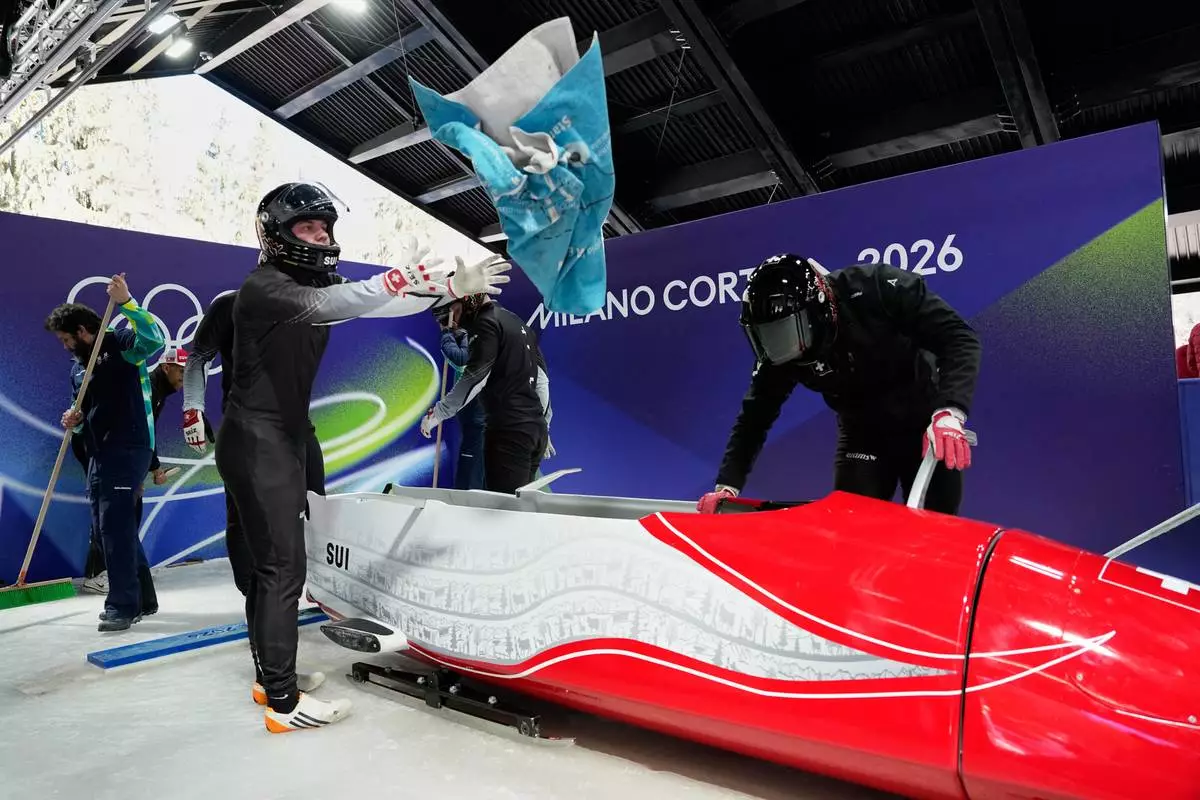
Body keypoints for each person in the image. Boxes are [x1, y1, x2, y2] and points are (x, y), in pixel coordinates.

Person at [212, 181, 510, 734]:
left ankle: (270, 679)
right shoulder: (264, 287)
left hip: (282, 437)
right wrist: (395, 279)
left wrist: (448, 288)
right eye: (307, 227)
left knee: (273, 568)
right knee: (281, 569)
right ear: (277, 234)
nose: (319, 235)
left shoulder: (315, 282)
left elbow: (374, 303)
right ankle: (283, 705)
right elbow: (338, 304)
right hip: (257, 440)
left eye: (324, 227)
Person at [698, 254, 981, 517]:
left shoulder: (878, 287)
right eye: (768, 335)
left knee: (935, 527)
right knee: (851, 525)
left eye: (785, 332)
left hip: (925, 423)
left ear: (819, 309)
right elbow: (754, 417)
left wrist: (949, 412)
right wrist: (727, 486)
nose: (780, 346)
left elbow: (958, 338)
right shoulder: (779, 355)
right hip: (863, 432)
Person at [180, 290, 327, 709]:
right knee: (263, 565)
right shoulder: (233, 303)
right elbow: (197, 356)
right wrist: (192, 409)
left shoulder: (310, 304)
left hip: (297, 434)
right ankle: (269, 677)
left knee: (300, 542)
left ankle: (280, 668)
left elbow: (366, 300)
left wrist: (434, 289)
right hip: (251, 437)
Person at [46, 273, 165, 632]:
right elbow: (83, 413)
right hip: (99, 453)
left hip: (128, 447)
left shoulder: (121, 343)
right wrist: (76, 420)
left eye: (66, 339)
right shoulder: (79, 369)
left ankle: (122, 606)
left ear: (83, 331)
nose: (65, 346)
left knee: (114, 528)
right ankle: (143, 598)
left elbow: (154, 339)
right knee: (107, 529)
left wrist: (127, 301)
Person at [419, 295, 552, 493]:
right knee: (518, 505)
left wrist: (438, 413)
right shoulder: (516, 322)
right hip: (533, 431)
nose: (453, 323)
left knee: (501, 506)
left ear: (466, 299)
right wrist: (544, 424)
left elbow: (476, 376)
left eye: (450, 315)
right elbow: (541, 381)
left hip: (508, 432)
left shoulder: (486, 323)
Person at [433, 303, 487, 490]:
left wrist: (446, 334)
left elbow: (461, 361)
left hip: (479, 417)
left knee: (471, 479)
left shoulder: (482, 331)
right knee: (473, 470)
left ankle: (471, 503)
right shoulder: (471, 331)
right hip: (473, 416)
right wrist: (457, 334)